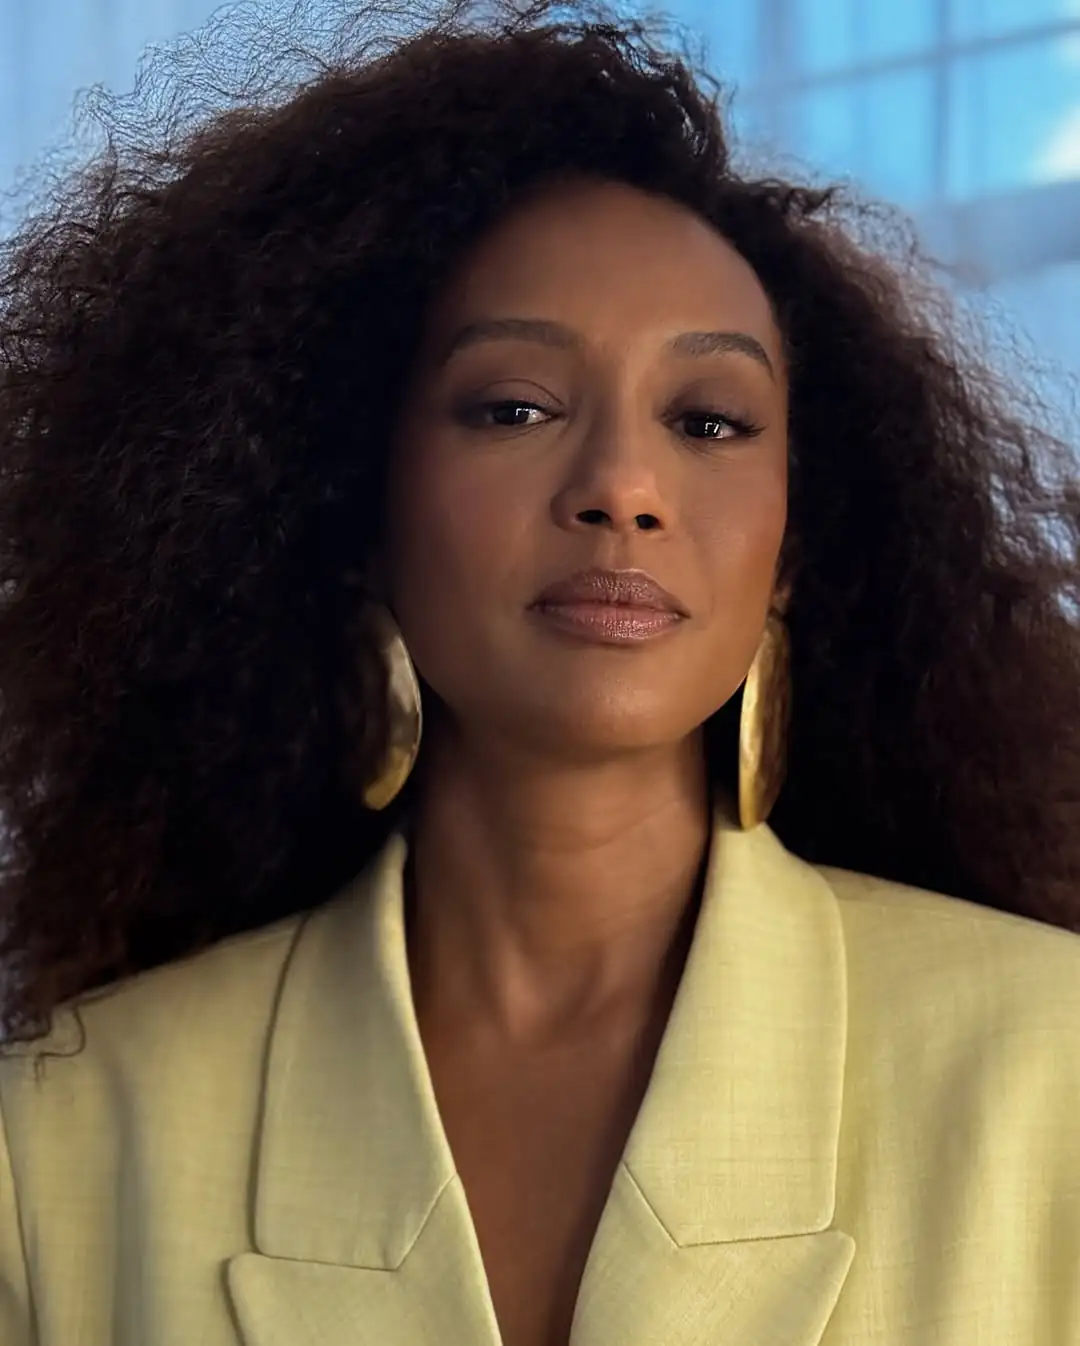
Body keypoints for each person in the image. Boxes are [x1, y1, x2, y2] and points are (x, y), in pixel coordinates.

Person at [0, 1, 1078, 1342]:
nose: (622, 485)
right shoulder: (62, 1144)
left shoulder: (1053, 1071)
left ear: (791, 551)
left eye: (709, 421)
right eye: (514, 407)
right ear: (353, 509)